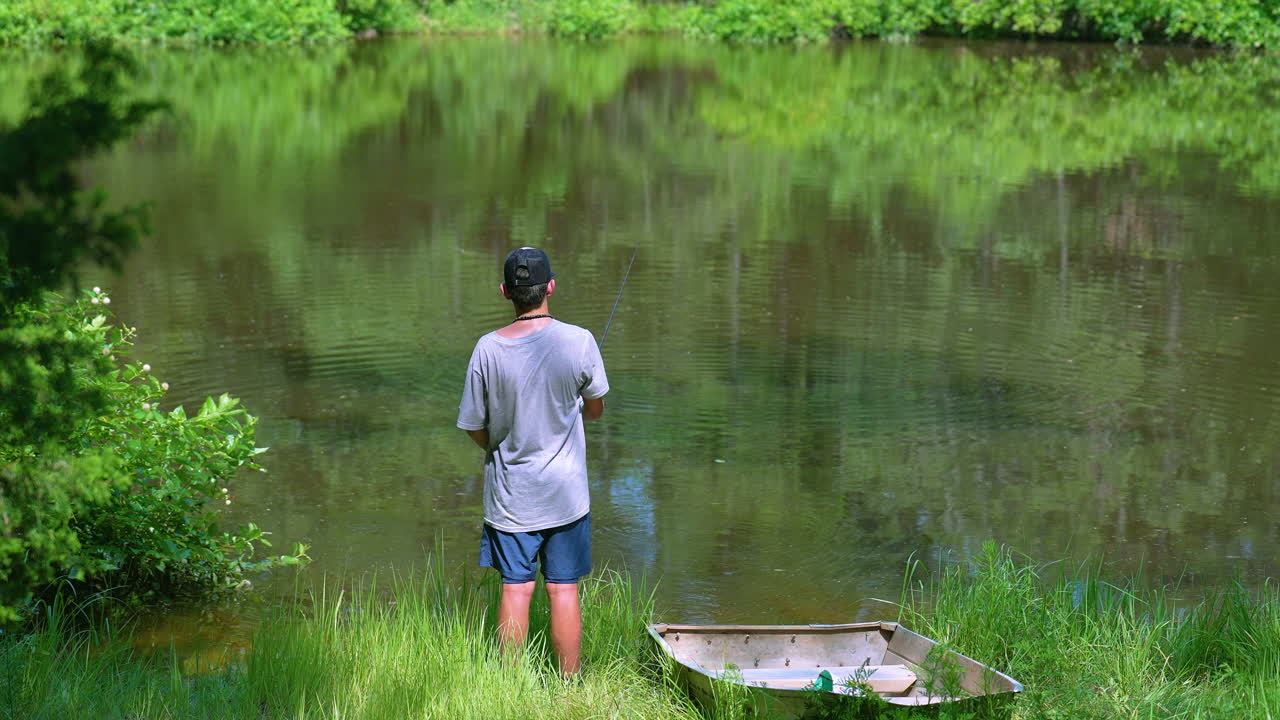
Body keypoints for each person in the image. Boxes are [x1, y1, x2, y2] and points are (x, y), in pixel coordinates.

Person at [456, 246, 608, 676]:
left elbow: (472, 426)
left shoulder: (486, 349)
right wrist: (576, 403)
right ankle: (570, 685)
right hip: (565, 495)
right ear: (551, 287)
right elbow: (595, 410)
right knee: (563, 590)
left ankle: (509, 684)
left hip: (511, 496)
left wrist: (497, 444)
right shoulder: (580, 341)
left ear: (506, 292)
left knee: (516, 589)